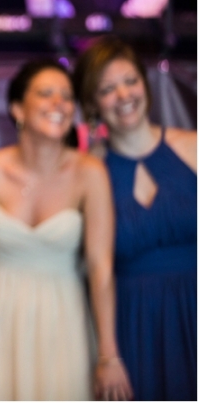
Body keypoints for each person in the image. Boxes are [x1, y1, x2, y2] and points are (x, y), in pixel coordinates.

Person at [0, 59, 132, 400]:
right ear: (17, 108)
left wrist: (108, 353)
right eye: (46, 93)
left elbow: (100, 267)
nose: (59, 104)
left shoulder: (89, 173)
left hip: (65, 315)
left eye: (66, 96)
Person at [73, 36, 197, 400]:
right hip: (130, 321)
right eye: (107, 89)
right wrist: (108, 354)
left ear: (145, 84)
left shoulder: (193, 147)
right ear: (93, 103)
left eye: (130, 81)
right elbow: (82, 257)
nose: (124, 95)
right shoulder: (88, 169)